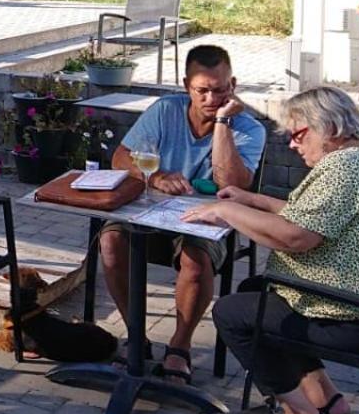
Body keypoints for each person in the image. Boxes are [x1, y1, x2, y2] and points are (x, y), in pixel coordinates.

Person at [184, 86, 359, 414]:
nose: (292, 145)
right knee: (258, 291)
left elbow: (296, 237)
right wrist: (251, 200)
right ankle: (327, 399)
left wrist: (227, 210)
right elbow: (309, 217)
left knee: (232, 313)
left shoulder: (344, 169)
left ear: (329, 127)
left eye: (298, 134)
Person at [100, 44, 266, 385]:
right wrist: (156, 176)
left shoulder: (249, 129)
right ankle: (136, 336)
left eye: (219, 90)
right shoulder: (165, 110)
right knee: (111, 239)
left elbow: (232, 184)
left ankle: (180, 345)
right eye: (201, 90)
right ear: (185, 85)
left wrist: (222, 123)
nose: (210, 98)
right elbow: (121, 157)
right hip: (153, 211)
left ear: (232, 85)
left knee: (195, 257)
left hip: (210, 220)